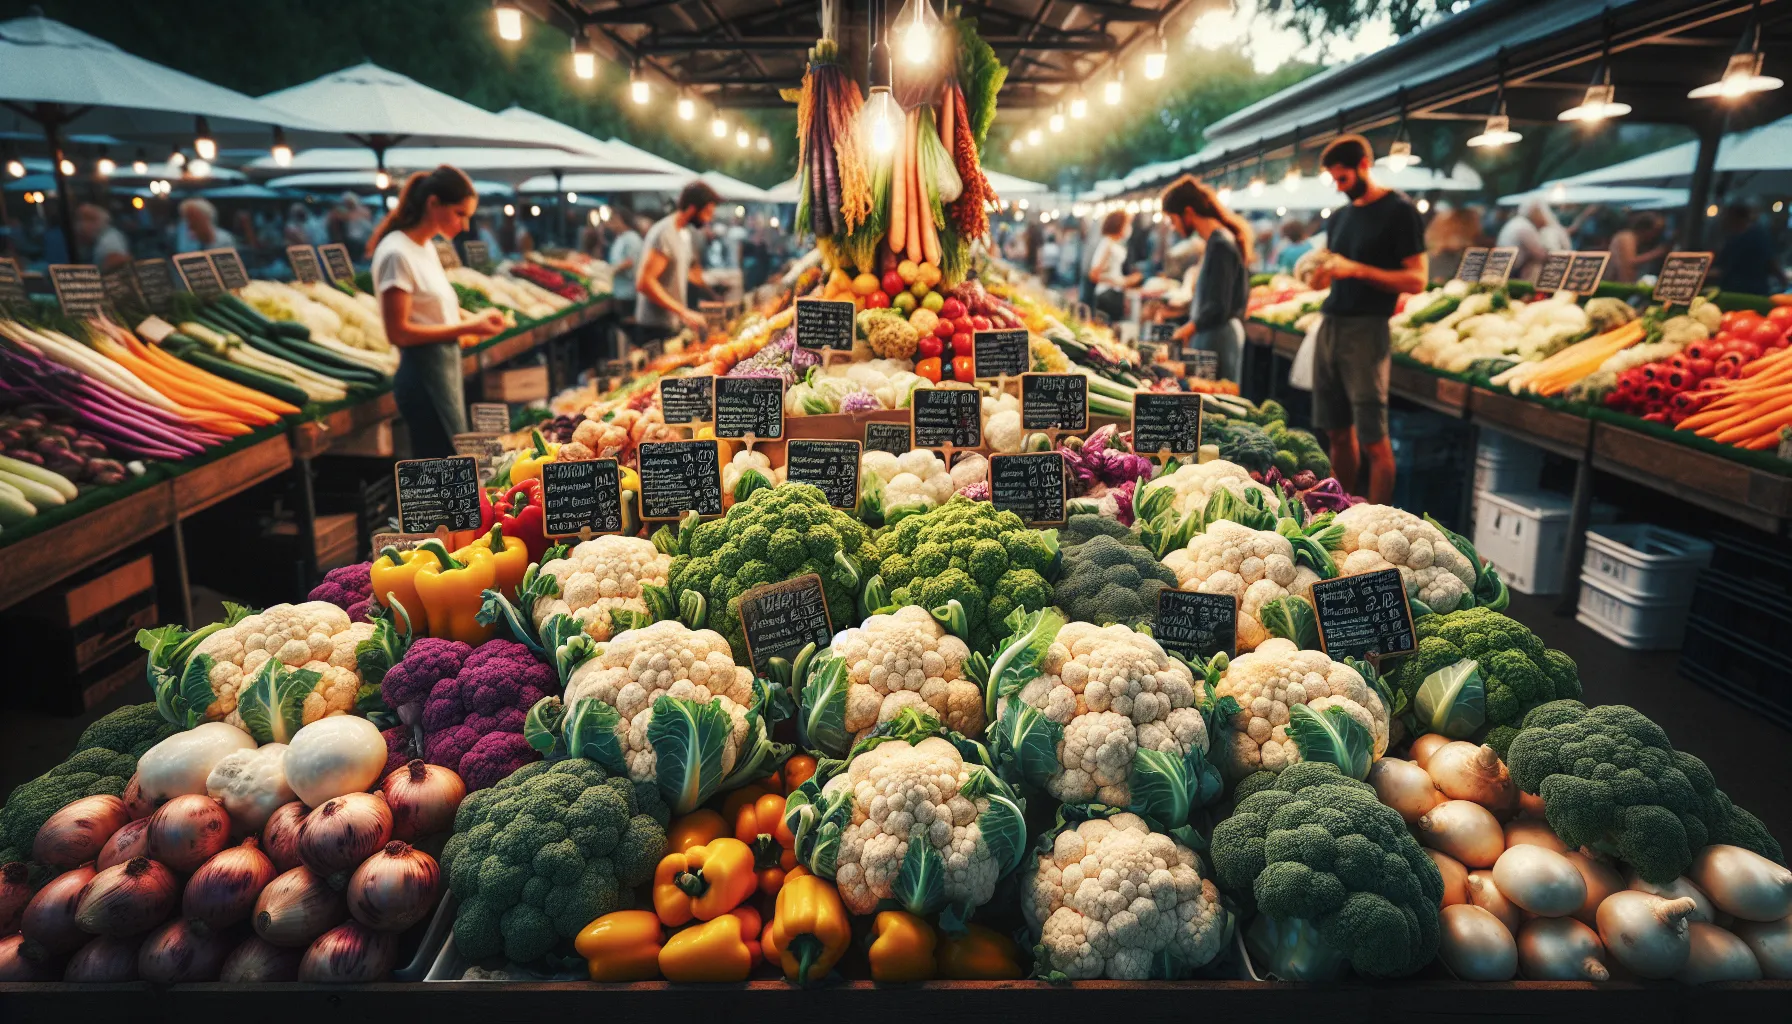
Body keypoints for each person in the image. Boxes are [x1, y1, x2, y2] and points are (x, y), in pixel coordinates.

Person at [1308, 135, 1427, 506]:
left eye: (1343, 178)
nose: (1339, 188)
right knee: (1335, 431)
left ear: (1363, 164)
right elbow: (1334, 269)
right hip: (1330, 324)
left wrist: (1356, 270)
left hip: (1367, 329)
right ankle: (1340, 510)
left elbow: (1418, 279)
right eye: (1334, 181)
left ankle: (1377, 518)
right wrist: (1320, 274)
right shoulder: (1341, 217)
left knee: (1374, 437)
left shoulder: (1399, 210)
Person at [369, 166, 508, 459]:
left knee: (455, 459)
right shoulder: (397, 253)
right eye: (460, 213)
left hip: (444, 369)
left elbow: (437, 306)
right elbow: (398, 332)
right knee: (444, 466)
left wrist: (475, 319)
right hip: (421, 379)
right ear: (433, 203)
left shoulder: (426, 247)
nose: (466, 225)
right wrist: (468, 328)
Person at [1161, 176, 1253, 383]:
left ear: (1188, 212)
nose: (1173, 227)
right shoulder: (1214, 242)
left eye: (1172, 219)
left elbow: (1218, 305)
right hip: (1212, 334)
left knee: (1214, 403)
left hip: (1218, 337)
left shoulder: (1220, 244)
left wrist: (1185, 330)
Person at [637, 181, 719, 339]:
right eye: (707, 212)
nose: (709, 219)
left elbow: (688, 273)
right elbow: (645, 282)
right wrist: (683, 311)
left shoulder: (684, 234)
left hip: (672, 322)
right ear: (693, 209)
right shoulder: (665, 233)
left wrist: (713, 298)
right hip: (655, 327)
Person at [1715, 203, 1782, 297]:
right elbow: (1722, 267)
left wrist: (1783, 280)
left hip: (1754, 294)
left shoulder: (1758, 235)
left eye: (1727, 216)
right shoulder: (1731, 239)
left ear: (1737, 217)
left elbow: (1771, 262)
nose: (1724, 220)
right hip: (1729, 293)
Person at [1088, 210, 1138, 323]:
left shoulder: (1113, 243)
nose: (1129, 228)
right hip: (1107, 294)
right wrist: (1116, 281)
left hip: (1113, 293)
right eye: (1127, 224)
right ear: (1118, 225)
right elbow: (1093, 274)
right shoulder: (1107, 244)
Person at [1496, 197, 1560, 281]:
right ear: (1534, 213)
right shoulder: (1525, 227)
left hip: (1500, 268)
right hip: (1511, 273)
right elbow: (1541, 255)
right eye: (1540, 212)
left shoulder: (1516, 222)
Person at [1609, 211, 1667, 283]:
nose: (1656, 235)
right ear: (1644, 228)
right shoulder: (1627, 237)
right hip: (1619, 282)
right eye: (1655, 231)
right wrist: (1657, 252)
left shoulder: (1636, 240)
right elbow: (1629, 261)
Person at [75, 203, 131, 271]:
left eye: (89, 219)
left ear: (100, 220)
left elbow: (119, 260)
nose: (81, 225)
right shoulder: (97, 239)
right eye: (80, 219)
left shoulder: (109, 238)